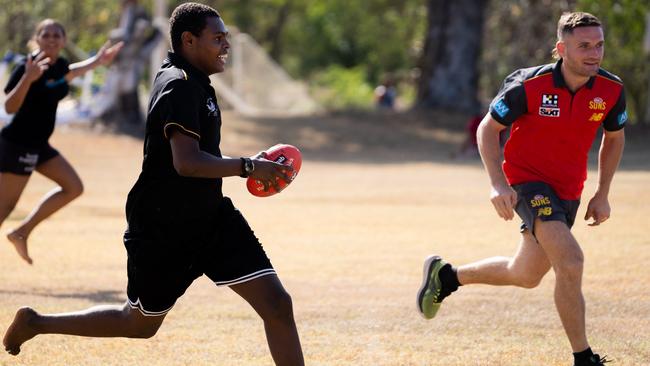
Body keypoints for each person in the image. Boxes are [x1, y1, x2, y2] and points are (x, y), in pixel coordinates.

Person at [3, 4, 305, 365]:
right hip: (164, 228)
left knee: (277, 304)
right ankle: (36, 322)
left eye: (226, 37)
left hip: (211, 218)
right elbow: (187, 163)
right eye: (218, 38)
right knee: (139, 323)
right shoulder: (178, 86)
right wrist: (247, 167)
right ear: (189, 40)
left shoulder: (196, 81)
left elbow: (200, 156)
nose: (226, 45)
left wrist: (249, 165)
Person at [416, 12, 626, 366]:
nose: (594, 53)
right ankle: (584, 358)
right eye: (584, 46)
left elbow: (615, 138)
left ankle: (447, 277)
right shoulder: (529, 85)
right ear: (561, 49)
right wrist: (498, 184)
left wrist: (602, 193)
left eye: (599, 44)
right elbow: (487, 129)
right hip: (527, 181)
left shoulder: (611, 90)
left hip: (569, 189)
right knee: (571, 261)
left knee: (526, 274)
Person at [1, 19, 122, 264]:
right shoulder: (27, 66)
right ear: (37, 38)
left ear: (64, 41)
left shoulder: (59, 66)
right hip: (17, 145)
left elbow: (70, 74)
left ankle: (21, 232)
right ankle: (18, 231)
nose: (52, 38)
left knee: (73, 187)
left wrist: (97, 62)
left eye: (57, 34)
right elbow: (9, 107)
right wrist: (28, 78)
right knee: (4, 208)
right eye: (46, 34)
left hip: (39, 146)